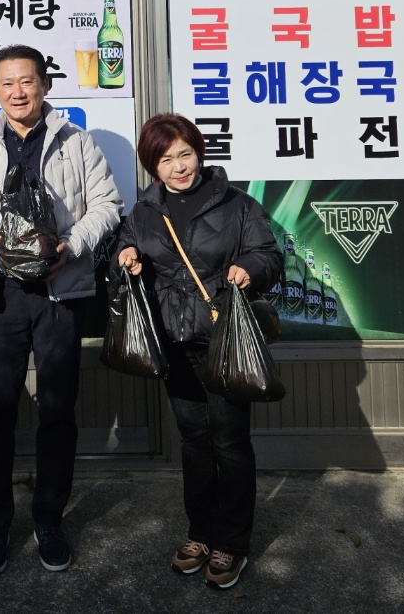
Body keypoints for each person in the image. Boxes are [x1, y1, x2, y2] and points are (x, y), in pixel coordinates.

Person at [0, 45, 123, 575]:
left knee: (57, 411)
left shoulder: (75, 141)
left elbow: (108, 205)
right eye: (7, 83)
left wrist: (70, 246)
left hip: (59, 293)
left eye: (27, 81)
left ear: (44, 85)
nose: (18, 92)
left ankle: (49, 519)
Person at [110, 114, 283, 590]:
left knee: (229, 441)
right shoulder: (144, 210)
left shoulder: (236, 204)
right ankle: (200, 533)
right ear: (152, 165)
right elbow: (125, 247)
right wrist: (125, 257)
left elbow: (269, 255)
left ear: (199, 152)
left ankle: (233, 542)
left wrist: (249, 267)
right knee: (193, 440)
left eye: (185, 154)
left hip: (223, 341)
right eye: (166, 159)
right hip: (172, 342)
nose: (178, 166)